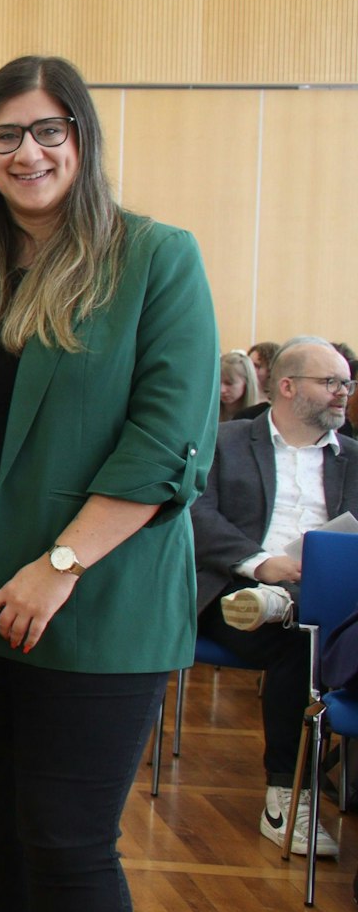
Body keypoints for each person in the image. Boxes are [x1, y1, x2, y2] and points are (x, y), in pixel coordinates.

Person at [0, 55, 218, 912]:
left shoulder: (156, 258)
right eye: (6, 133)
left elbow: (170, 436)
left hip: (98, 603)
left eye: (50, 130)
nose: (28, 150)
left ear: (81, 139)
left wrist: (61, 563)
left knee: (68, 839)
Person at [191, 336, 355, 857]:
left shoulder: (354, 458)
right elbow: (194, 516)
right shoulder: (226, 441)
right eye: (330, 382)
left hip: (333, 600)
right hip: (235, 589)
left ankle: (290, 607)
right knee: (299, 642)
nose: (342, 393)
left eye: (347, 383)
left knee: (307, 625)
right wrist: (263, 563)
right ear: (287, 386)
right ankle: (289, 797)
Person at [220, 349, 263, 422]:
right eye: (218, 383)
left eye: (229, 383)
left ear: (247, 383)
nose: (222, 390)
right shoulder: (207, 413)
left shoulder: (260, 416)